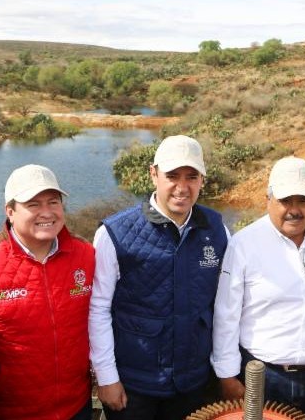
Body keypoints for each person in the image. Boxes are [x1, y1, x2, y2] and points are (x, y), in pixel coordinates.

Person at [90, 135, 229, 420]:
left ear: (202, 180)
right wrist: (106, 377)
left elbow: (225, 304)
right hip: (134, 385)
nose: (182, 187)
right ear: (153, 174)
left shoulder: (217, 230)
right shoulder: (115, 234)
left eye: (192, 177)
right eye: (172, 176)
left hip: (193, 382)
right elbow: (98, 308)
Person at [0, 164, 96, 420]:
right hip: (10, 412)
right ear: (10, 211)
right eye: (33, 204)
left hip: (77, 406)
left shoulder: (86, 254)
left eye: (53, 202)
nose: (46, 212)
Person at [212, 155, 305, 420]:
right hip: (265, 377)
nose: (294, 210)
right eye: (285, 201)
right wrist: (227, 376)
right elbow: (226, 314)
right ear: (268, 200)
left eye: (302, 201)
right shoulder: (244, 244)